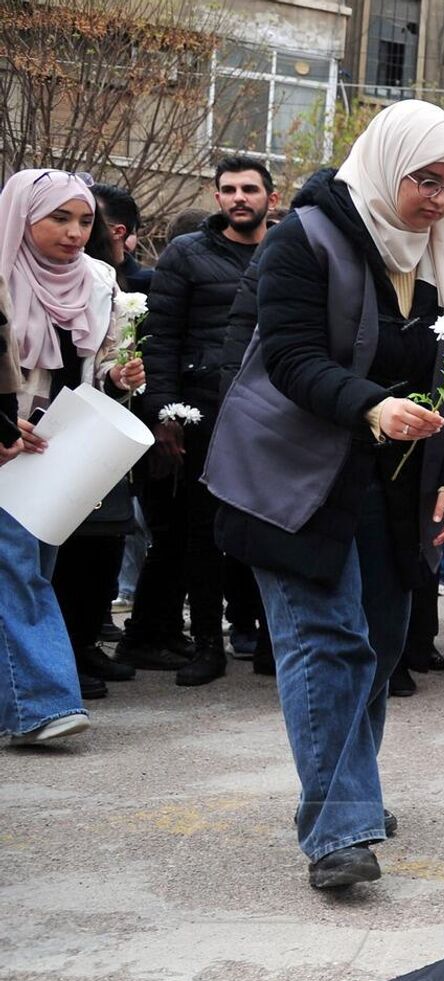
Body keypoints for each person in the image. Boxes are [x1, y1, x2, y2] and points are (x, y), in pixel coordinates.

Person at [206, 100, 444, 889]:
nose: (436, 198)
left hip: (397, 489)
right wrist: (369, 404)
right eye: (424, 179)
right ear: (384, 163)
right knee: (325, 644)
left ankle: (346, 791)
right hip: (299, 478)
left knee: (381, 647)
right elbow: (285, 356)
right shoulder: (307, 236)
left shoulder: (440, 258)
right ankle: (338, 828)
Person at [125, 155, 280, 687]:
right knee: (201, 533)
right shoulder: (186, 254)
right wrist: (164, 414)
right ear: (216, 198)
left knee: (268, 530)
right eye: (229, 189)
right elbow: (161, 339)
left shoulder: (287, 253)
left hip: (270, 415)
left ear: (270, 199)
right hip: (200, 413)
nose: (240, 198)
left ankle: (269, 643)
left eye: (250, 189)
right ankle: (208, 645)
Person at [1, 168, 145, 736]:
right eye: (58, 218)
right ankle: (44, 705)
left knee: (34, 567)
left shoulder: (99, 281)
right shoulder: (3, 274)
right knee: (17, 572)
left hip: (60, 447)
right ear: (22, 216)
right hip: (9, 441)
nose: (74, 232)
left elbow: (98, 364)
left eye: (84, 220)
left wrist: (122, 375)